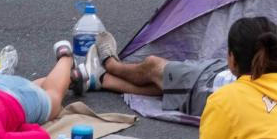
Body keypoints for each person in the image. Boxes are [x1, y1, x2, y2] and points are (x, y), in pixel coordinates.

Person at [71, 30, 234, 115]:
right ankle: (102, 79)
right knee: (167, 84)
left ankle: (111, 64)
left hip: (210, 87)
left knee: (153, 66)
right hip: (220, 75)